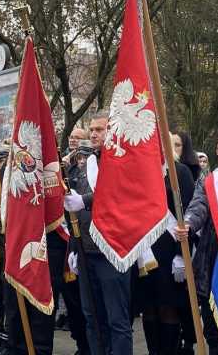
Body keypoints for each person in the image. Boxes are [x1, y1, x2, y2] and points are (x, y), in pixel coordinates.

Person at [65, 111, 133, 355]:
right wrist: (73, 248)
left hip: (112, 249)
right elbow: (76, 213)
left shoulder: (122, 161)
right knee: (92, 317)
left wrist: (84, 200)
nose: (93, 134)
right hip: (86, 249)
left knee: (117, 319)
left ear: (112, 131)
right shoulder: (87, 162)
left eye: (99, 129)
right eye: (91, 129)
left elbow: (116, 194)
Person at [174, 126, 218, 355]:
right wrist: (188, 223)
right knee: (213, 329)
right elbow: (198, 205)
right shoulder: (210, 181)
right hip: (213, 261)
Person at [135, 157, 195, 355]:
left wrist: (181, 254)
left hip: (169, 250)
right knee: (149, 307)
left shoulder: (180, 171)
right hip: (144, 249)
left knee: (168, 306)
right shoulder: (139, 171)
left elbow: (187, 212)